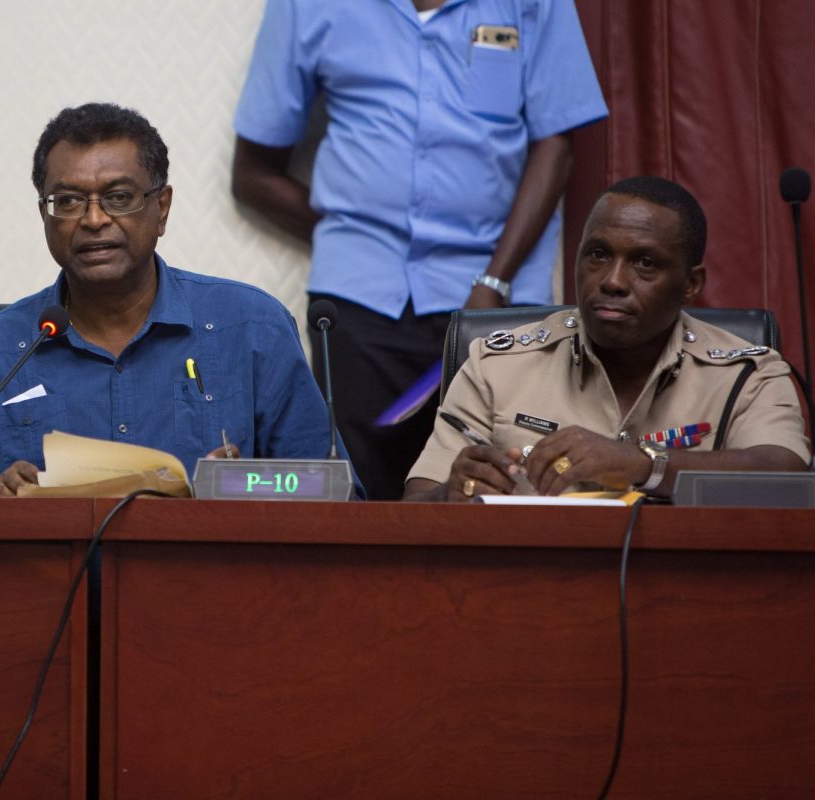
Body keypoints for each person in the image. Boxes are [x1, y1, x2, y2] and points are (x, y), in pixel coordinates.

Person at [232, 0, 608, 500]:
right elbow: (254, 172)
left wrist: (494, 280)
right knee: (359, 493)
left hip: (500, 299)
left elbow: (556, 145)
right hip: (360, 300)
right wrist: (355, 228)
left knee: (505, 482)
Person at [0, 102, 346, 496]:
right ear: (45, 216)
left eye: (119, 197)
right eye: (68, 201)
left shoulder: (253, 328)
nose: (94, 219)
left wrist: (239, 487)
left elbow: (334, 497)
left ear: (161, 208)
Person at [403, 176, 811, 501]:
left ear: (691, 284)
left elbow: (786, 475)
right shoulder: (496, 365)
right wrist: (446, 497)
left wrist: (643, 465)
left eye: (645, 264)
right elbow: (414, 507)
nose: (613, 281)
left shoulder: (747, 372)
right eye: (597, 254)